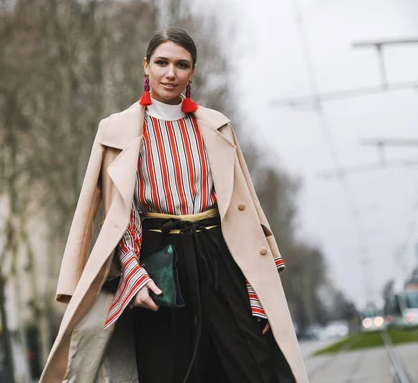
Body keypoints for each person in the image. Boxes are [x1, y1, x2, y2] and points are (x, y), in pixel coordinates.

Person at [41, 27, 308, 383]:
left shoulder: (217, 127)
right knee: (170, 371)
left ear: (192, 72)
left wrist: (256, 291)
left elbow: (246, 210)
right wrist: (132, 273)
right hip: (157, 260)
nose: (171, 73)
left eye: (181, 64)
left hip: (219, 256)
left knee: (251, 365)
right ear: (146, 67)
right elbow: (115, 215)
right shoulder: (115, 130)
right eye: (162, 62)